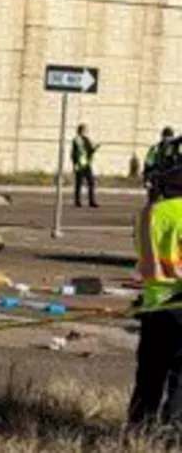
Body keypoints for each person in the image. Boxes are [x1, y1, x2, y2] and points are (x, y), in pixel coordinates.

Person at [128, 137, 182, 431]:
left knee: (149, 376)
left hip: (154, 307)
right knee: (180, 382)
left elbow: (148, 265)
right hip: (179, 307)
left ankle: (137, 433)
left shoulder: (147, 215)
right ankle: (172, 437)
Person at [71, 123, 100, 208]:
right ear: (80, 131)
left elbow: (90, 150)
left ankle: (91, 201)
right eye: (84, 130)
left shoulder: (86, 139)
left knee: (91, 182)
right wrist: (75, 164)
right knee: (78, 183)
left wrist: (95, 148)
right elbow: (74, 153)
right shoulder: (76, 140)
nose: (85, 131)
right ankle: (77, 201)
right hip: (80, 164)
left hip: (86, 164)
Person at [146, 127, 176, 201]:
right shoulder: (156, 148)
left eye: (170, 138)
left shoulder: (174, 148)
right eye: (166, 138)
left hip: (170, 176)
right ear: (162, 137)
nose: (167, 140)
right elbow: (148, 162)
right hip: (158, 175)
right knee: (153, 198)